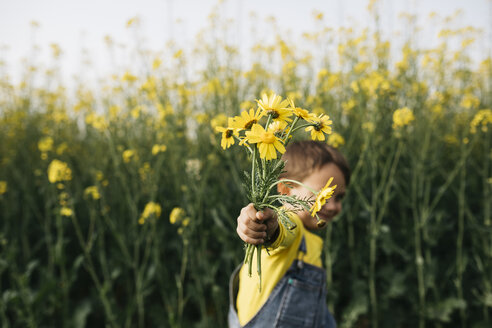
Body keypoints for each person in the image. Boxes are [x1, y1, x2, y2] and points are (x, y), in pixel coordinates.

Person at [228, 140, 351, 328]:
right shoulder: (290, 221)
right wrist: (268, 227)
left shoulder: (310, 239)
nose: (333, 206)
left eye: (339, 197)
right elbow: (282, 230)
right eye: (323, 196)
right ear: (285, 188)